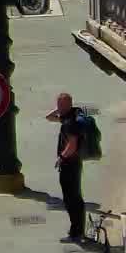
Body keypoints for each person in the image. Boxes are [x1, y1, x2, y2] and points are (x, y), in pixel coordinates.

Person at [47, 92, 89, 241]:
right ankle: (79, 231)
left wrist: (61, 157)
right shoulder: (72, 115)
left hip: (69, 164)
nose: (58, 107)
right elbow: (49, 117)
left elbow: (72, 145)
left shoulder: (70, 122)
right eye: (57, 104)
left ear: (67, 104)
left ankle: (75, 233)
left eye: (60, 104)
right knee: (76, 197)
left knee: (71, 199)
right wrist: (59, 110)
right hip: (75, 163)